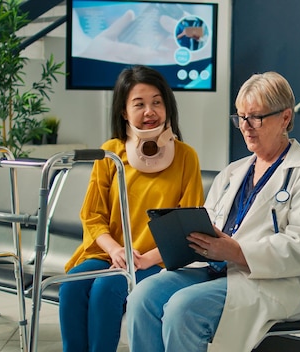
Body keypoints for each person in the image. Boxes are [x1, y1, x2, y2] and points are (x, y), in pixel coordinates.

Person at [126, 71, 300, 352]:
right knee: (143, 296)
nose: (246, 126)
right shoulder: (233, 172)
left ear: (285, 118)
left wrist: (236, 252)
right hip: (218, 269)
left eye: (256, 117)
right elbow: (211, 222)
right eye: (240, 117)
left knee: (183, 308)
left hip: (272, 281)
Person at [58, 65, 205, 352]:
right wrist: (115, 250)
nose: (149, 111)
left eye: (156, 102)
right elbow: (92, 216)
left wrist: (144, 259)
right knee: (72, 286)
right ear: (124, 112)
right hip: (108, 254)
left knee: (106, 289)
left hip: (156, 260)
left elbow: (188, 227)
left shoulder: (186, 157)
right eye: (139, 104)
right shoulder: (109, 153)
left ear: (167, 107)